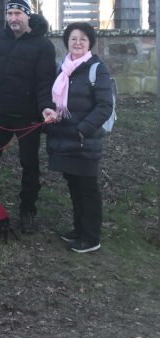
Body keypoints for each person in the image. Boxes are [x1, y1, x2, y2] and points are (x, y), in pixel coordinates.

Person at [0, 0, 56, 234]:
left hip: (28, 116)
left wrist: (46, 107)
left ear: (27, 15)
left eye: (18, 13)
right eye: (10, 13)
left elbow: (45, 81)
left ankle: (27, 211)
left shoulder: (43, 45)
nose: (13, 18)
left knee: (29, 165)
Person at [44, 23, 112, 253]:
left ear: (90, 43)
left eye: (83, 39)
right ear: (67, 42)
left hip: (84, 139)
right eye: (73, 38)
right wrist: (51, 112)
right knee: (74, 184)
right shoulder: (62, 69)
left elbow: (104, 106)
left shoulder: (96, 69)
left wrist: (82, 130)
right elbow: (55, 100)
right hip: (65, 138)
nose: (78, 43)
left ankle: (91, 237)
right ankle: (79, 229)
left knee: (87, 187)